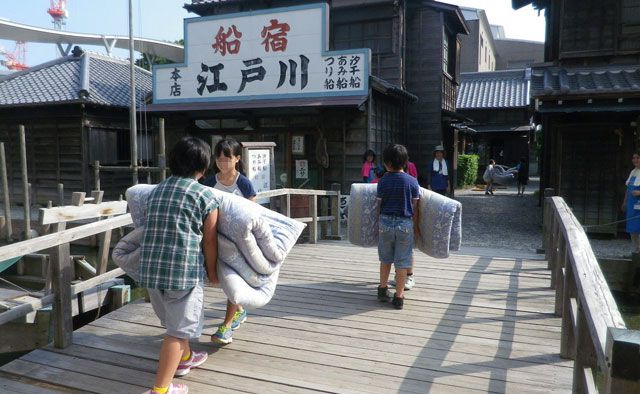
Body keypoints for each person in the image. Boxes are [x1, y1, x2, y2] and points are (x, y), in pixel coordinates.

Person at [140, 136, 219, 394]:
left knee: (175, 324)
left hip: (151, 270)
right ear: (203, 166)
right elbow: (209, 241)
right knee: (176, 331)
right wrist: (213, 272)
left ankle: (184, 360)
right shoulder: (205, 195)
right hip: (183, 273)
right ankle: (161, 389)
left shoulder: (156, 190)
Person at [202, 138, 257, 345]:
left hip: (236, 242)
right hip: (213, 238)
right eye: (219, 159)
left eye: (227, 159)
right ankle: (239, 310)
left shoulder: (243, 183)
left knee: (232, 280)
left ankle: (225, 327)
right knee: (222, 281)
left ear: (237, 159)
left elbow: (252, 212)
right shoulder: (209, 182)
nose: (223, 164)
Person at [376, 144, 420, 310]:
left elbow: (379, 205)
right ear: (405, 162)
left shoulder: (383, 181)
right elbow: (415, 205)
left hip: (385, 222)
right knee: (402, 261)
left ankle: (382, 289)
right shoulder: (412, 181)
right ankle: (399, 297)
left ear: (387, 163)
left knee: (385, 258)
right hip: (404, 223)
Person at [622, 151, 640, 255]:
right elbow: (628, 189)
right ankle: (637, 249)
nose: (635, 160)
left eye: (637, 158)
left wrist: (639, 192)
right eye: (634, 158)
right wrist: (625, 202)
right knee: (633, 228)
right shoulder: (633, 172)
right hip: (632, 204)